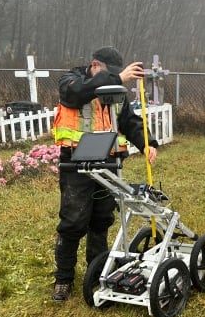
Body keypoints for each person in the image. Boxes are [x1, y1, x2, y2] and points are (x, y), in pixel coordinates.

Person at [51, 46, 158, 302]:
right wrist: (119, 79)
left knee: (101, 219)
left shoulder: (116, 92)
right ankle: (63, 279)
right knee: (73, 222)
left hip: (108, 164)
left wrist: (146, 142)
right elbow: (78, 94)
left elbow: (129, 121)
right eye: (111, 74)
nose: (114, 79)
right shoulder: (71, 81)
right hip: (76, 165)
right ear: (95, 65)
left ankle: (96, 269)